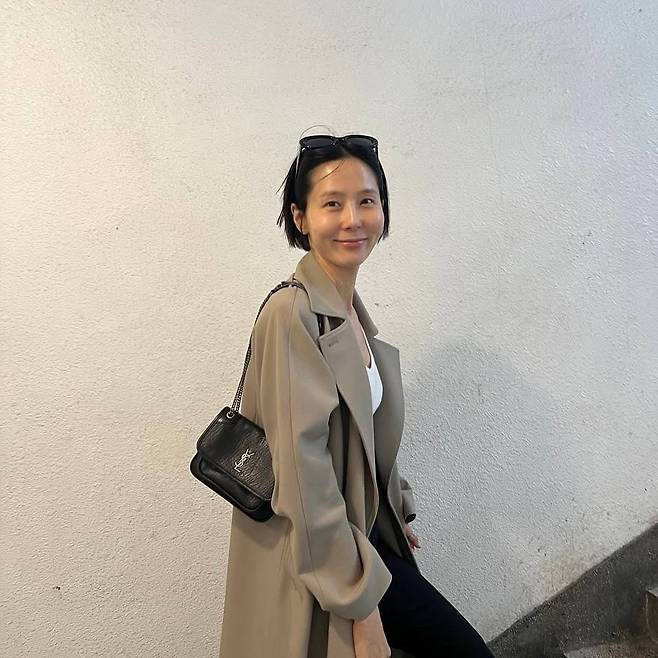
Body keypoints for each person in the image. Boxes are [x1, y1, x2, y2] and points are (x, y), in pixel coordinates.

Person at [217, 132, 494, 658]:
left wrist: (394, 505)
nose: (353, 219)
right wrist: (362, 610)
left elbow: (361, 434)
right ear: (300, 217)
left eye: (367, 200)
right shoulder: (293, 316)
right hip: (325, 560)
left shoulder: (347, 312)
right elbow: (305, 477)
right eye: (332, 204)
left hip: (363, 537)